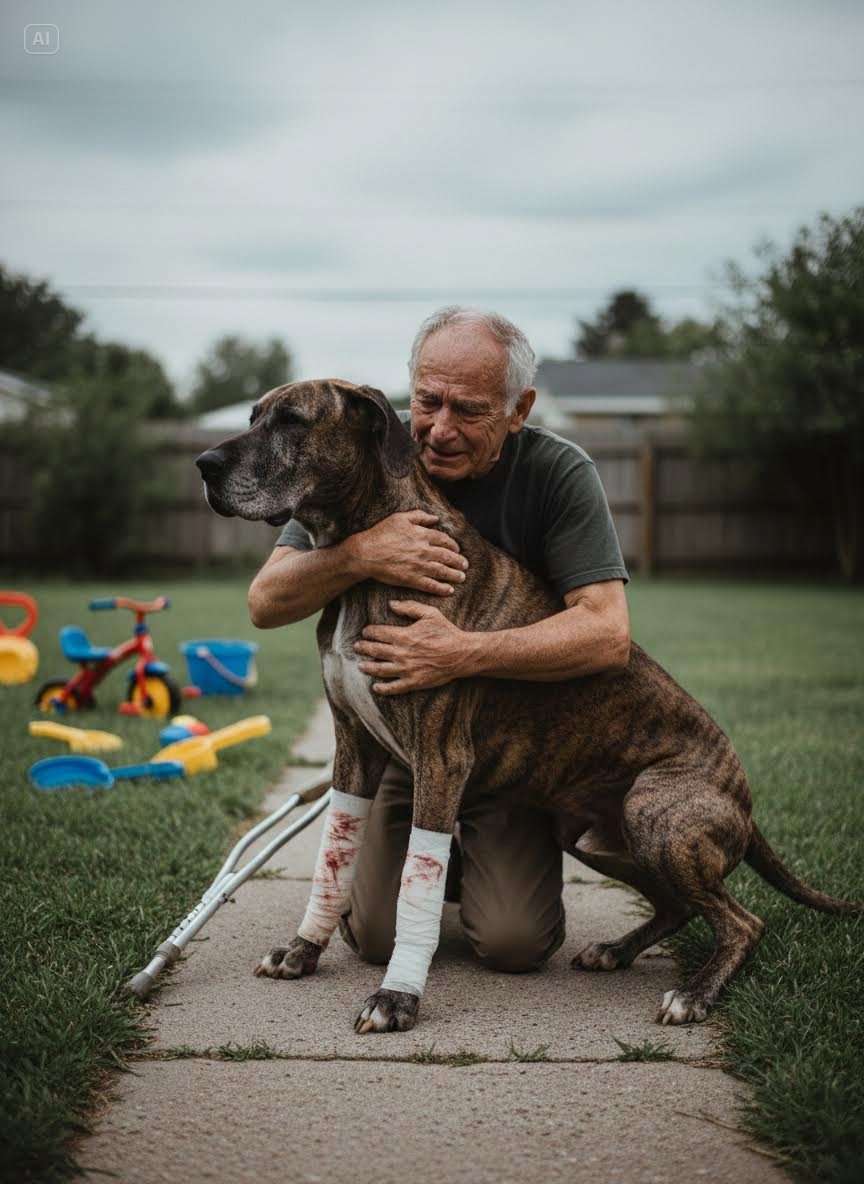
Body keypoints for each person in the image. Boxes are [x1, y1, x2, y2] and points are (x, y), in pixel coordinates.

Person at [248, 306, 630, 974]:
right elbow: (265, 601)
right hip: (402, 746)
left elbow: (606, 633)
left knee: (514, 945)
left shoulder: (558, 473)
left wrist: (462, 651)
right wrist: (362, 553)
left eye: (471, 410)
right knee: (371, 939)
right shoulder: (361, 459)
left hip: (504, 756)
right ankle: (433, 864)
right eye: (427, 401)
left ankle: (474, 859)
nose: (440, 429)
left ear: (519, 409)